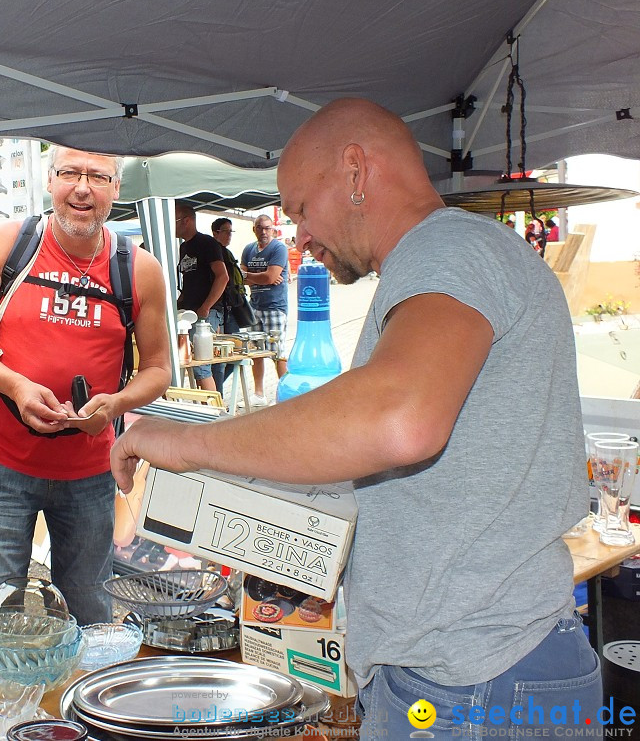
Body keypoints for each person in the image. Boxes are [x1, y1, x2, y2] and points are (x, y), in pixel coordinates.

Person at [111, 98, 598, 737]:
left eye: (301, 210)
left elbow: (400, 420)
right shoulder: (445, 261)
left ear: (355, 171)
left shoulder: (447, 248)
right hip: (469, 671)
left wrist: (189, 444)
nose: (301, 236)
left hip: (474, 681)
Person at [0, 146, 171, 624]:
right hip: (5, 461)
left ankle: (81, 699)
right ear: (50, 182)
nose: (82, 188)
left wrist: (117, 405)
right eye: (70, 173)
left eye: (98, 177)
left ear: (115, 189)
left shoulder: (138, 267)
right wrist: (16, 386)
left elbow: (158, 369)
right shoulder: (12, 242)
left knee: (89, 607)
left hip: (90, 471)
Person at [174, 201, 227, 393]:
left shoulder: (207, 243)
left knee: (202, 366)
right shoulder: (183, 247)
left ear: (186, 221)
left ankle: (215, 413)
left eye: (174, 220)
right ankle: (207, 409)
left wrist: (206, 306)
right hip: (189, 313)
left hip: (206, 313)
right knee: (195, 363)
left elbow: (223, 277)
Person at [241, 215, 288, 404]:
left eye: (267, 228)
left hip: (275, 306)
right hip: (254, 306)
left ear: (273, 230)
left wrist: (253, 276)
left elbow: (270, 277)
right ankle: (259, 394)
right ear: (254, 229)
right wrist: (262, 276)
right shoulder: (248, 249)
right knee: (256, 352)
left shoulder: (279, 248)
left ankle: (285, 395)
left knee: (278, 353)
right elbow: (240, 277)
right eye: (260, 228)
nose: (264, 232)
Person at [208, 218, 242, 392]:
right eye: (226, 231)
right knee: (221, 357)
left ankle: (216, 391)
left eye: (231, 231)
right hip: (220, 311)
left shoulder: (226, 253)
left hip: (231, 310)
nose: (229, 235)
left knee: (235, 355)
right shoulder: (214, 251)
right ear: (216, 233)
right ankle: (217, 394)